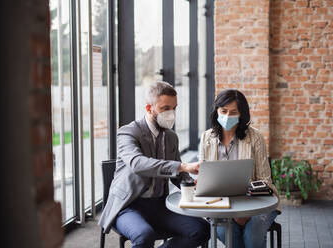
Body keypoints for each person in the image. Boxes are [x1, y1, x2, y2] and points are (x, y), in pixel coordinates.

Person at [99, 81, 210, 248]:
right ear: (149, 108)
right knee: (144, 236)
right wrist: (182, 166)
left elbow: (179, 175)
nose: (171, 113)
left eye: (174, 108)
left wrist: (191, 185)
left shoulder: (171, 137)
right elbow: (138, 164)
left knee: (202, 229)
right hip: (128, 206)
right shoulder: (128, 132)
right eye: (165, 108)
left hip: (160, 204)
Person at [199, 89, 281, 248]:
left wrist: (246, 212)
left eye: (233, 112)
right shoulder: (206, 138)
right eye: (223, 111)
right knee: (223, 231)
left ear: (241, 114)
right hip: (221, 205)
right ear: (217, 111)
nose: (227, 116)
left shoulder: (255, 137)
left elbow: (265, 181)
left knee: (253, 234)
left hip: (258, 203)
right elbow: (204, 178)